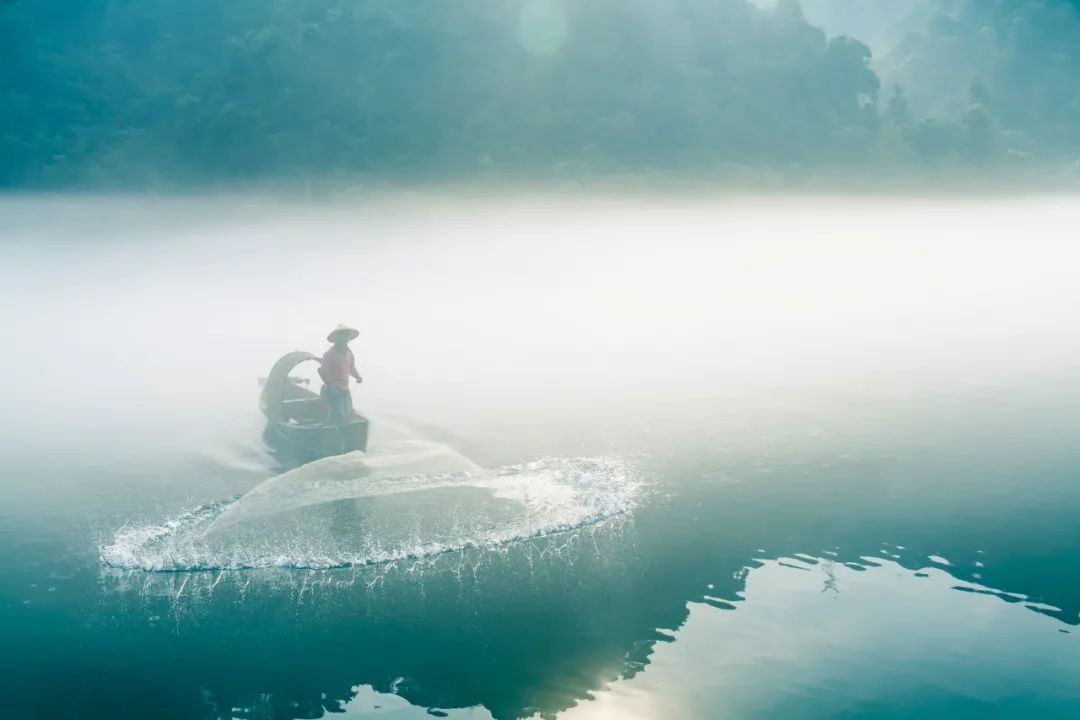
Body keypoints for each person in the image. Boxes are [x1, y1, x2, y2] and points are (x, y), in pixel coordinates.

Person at [319, 324, 363, 425]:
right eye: (342, 336)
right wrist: (332, 386)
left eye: (346, 336)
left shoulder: (349, 353)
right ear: (337, 338)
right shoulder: (330, 354)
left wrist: (358, 376)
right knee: (339, 415)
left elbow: (351, 368)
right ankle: (333, 434)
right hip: (333, 389)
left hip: (345, 388)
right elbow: (322, 371)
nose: (345, 339)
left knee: (348, 414)